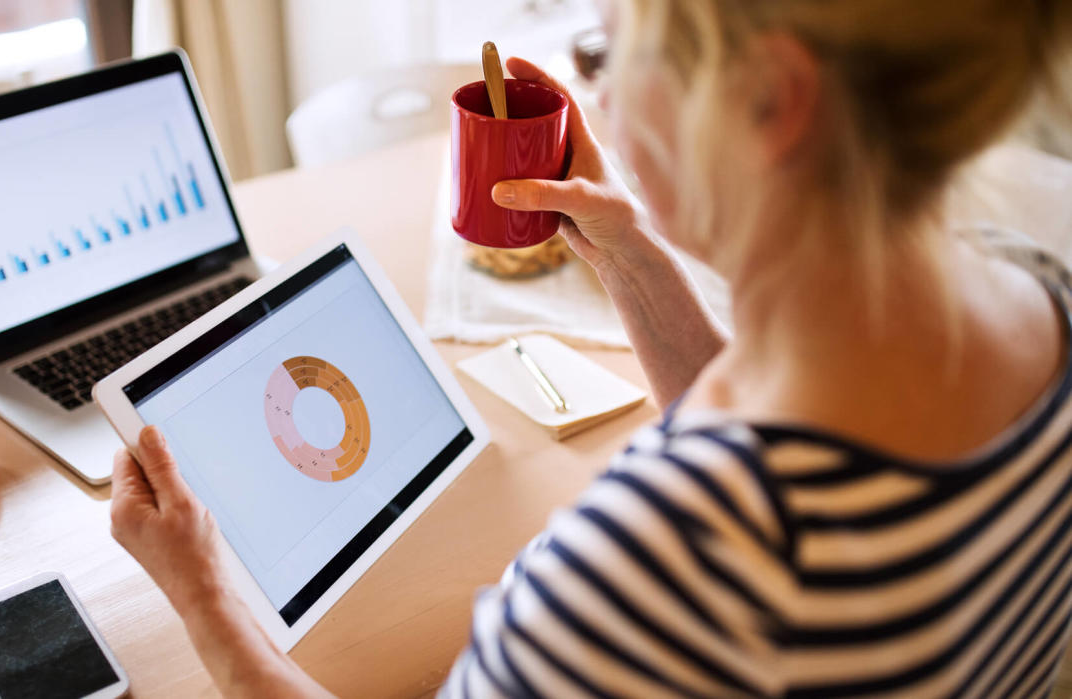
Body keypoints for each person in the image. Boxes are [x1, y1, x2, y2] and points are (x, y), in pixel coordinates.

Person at [109, 0, 1072, 695]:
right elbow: (769, 434)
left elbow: (719, 522)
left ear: (774, 101)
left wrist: (208, 604)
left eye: (608, 52)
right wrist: (631, 256)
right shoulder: (1041, 297)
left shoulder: (649, 567)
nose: (599, 98)